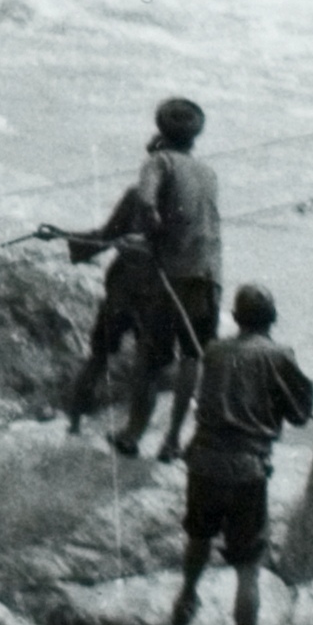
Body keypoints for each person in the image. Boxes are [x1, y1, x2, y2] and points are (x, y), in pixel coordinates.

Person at [170, 283, 313, 625]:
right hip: (246, 471)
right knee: (248, 568)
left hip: (203, 461)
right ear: (273, 320)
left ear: (235, 319)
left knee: (199, 538)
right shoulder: (279, 355)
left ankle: (188, 594)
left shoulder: (215, 351)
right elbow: (301, 415)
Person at [116, 97, 223, 461]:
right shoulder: (208, 172)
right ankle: (174, 440)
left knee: (151, 356)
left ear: (161, 131)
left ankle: (132, 434)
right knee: (193, 355)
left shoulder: (157, 161)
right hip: (209, 274)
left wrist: (149, 235)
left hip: (172, 275)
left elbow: (146, 204)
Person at [56, 176, 162, 433]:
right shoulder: (182, 201)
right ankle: (134, 434)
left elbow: (106, 235)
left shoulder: (136, 194)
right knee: (148, 367)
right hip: (153, 296)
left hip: (121, 290)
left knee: (98, 358)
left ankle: (74, 425)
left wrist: (66, 238)